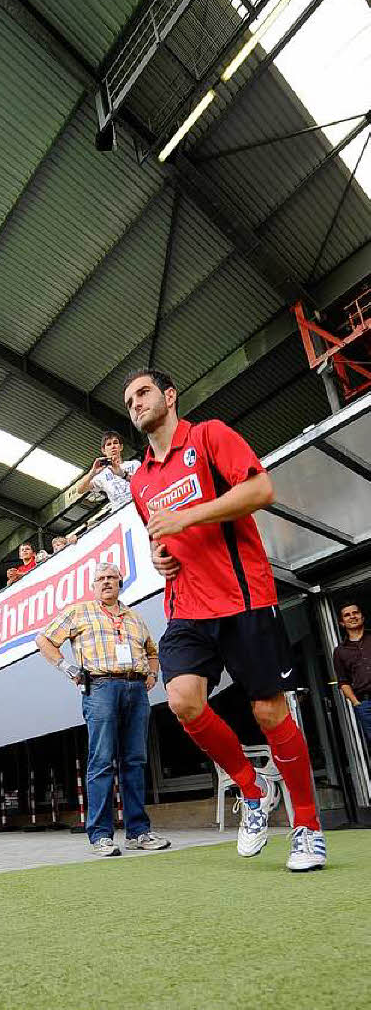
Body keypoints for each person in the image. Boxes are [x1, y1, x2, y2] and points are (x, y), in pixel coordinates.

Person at [123, 367, 326, 872]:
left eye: (143, 392)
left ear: (170, 395)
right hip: (186, 606)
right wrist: (158, 556)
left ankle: (307, 825)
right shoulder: (140, 480)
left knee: (269, 713)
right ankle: (252, 791)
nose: (135, 403)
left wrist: (189, 516)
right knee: (183, 701)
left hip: (244, 597)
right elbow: (159, 537)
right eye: (128, 401)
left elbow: (260, 492)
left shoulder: (211, 435)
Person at [36, 562, 170, 857]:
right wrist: (69, 668)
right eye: (101, 579)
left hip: (135, 689)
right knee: (102, 761)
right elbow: (43, 640)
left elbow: (152, 651)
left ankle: (138, 832)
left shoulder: (135, 617)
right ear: (93, 586)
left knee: (135, 760)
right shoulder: (78, 612)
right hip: (100, 688)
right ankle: (100, 835)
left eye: (111, 577)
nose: (106, 582)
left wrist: (152, 674)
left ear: (120, 583)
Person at [333, 599, 371, 747]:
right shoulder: (340, 651)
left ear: (362, 617)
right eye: (347, 615)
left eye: (355, 612)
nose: (352, 616)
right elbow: (343, 682)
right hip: (366, 704)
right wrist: (356, 703)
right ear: (342, 623)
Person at [77, 430, 141, 514]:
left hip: (139, 507)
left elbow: (143, 484)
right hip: (121, 515)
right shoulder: (101, 474)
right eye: (109, 444)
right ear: (103, 450)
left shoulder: (135, 464)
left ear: (121, 447)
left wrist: (123, 474)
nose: (113, 446)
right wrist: (92, 473)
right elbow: (80, 490)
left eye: (115, 443)